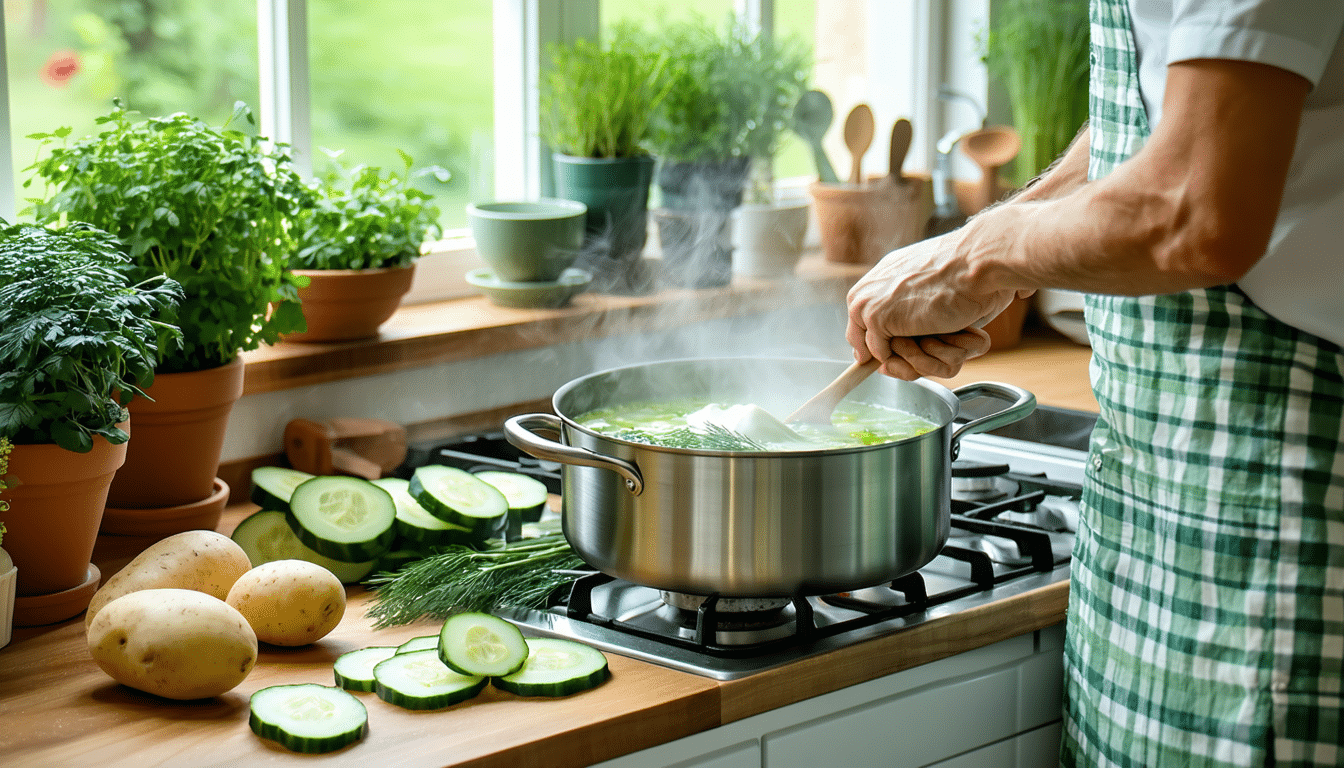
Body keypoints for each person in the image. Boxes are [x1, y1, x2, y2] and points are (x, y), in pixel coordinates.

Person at [845, 1, 1343, 765]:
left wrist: (978, 256)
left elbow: (1196, 208)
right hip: (1154, 509)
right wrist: (999, 240)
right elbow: (1155, 125)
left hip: (1280, 520)